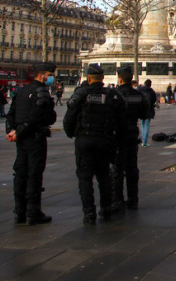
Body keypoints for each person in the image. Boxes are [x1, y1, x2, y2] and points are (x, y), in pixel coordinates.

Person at [63, 64, 127, 225]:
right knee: (104, 176)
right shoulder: (112, 95)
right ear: (103, 78)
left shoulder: (81, 95)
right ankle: (105, 208)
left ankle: (89, 212)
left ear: (88, 78)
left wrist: (72, 133)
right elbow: (122, 119)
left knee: (85, 177)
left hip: (84, 139)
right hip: (105, 140)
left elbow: (69, 118)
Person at [5, 62, 58, 225]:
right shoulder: (41, 91)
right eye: (50, 75)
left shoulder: (22, 91)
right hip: (34, 137)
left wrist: (13, 131)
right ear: (42, 75)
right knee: (34, 173)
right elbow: (37, 117)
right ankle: (33, 211)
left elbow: (11, 114)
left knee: (20, 172)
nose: (51, 78)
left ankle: (19, 211)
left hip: (21, 138)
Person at [112, 66, 152, 212]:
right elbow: (144, 114)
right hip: (132, 134)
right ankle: (133, 200)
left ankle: (118, 200)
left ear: (120, 79)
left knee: (117, 169)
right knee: (132, 168)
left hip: (117, 135)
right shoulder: (139, 95)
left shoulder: (114, 95)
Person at [138, 79, 157, 147]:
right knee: (146, 126)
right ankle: (144, 142)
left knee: (142, 125)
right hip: (149, 110)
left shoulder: (140, 90)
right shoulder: (152, 92)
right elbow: (154, 100)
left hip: (141, 109)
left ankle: (143, 140)